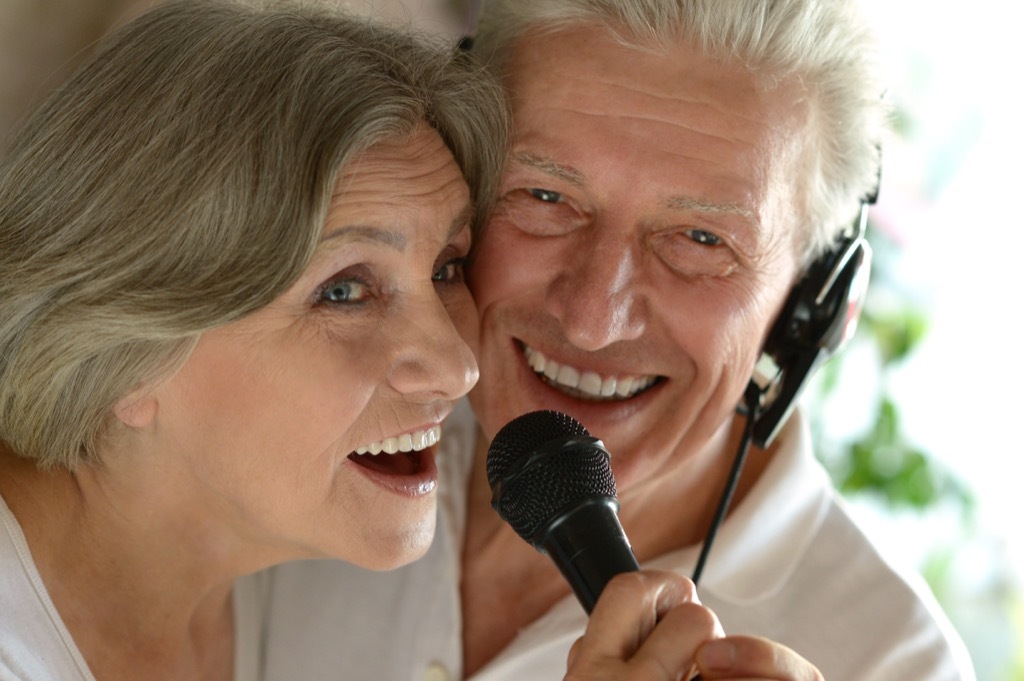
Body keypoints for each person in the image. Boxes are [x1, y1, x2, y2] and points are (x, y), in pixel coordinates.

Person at [0, 1, 765, 679]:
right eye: (344, 290)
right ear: (121, 339)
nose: (459, 367)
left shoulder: (232, 597)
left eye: (447, 268)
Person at [255, 0, 977, 680]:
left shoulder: (895, 659)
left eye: (700, 239)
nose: (591, 319)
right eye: (546, 196)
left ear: (809, 310)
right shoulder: (271, 431)